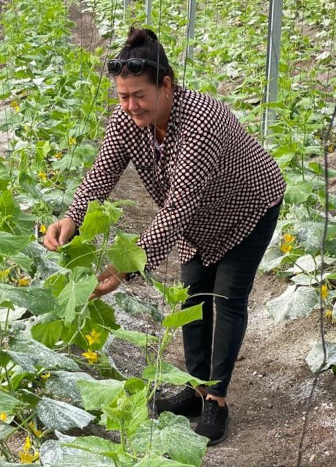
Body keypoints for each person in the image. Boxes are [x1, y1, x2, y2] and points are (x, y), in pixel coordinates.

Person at [43, 26, 285, 446]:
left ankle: (217, 399)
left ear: (167, 85)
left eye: (139, 95)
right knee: (192, 297)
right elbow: (101, 174)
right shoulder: (128, 119)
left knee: (226, 299)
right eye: (122, 96)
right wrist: (72, 218)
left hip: (248, 207)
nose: (130, 105)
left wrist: (123, 269)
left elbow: (176, 209)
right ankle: (194, 390)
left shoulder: (200, 122)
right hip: (198, 220)